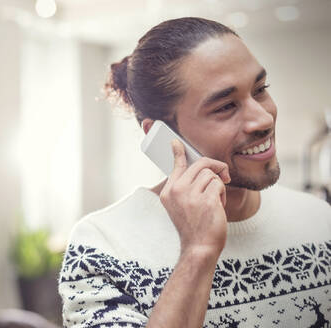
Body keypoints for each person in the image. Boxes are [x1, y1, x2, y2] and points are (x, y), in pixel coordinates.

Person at [58, 17, 331, 328]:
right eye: (226, 106)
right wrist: (198, 252)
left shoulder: (321, 221)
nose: (263, 119)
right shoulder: (102, 246)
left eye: (260, 89)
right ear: (161, 134)